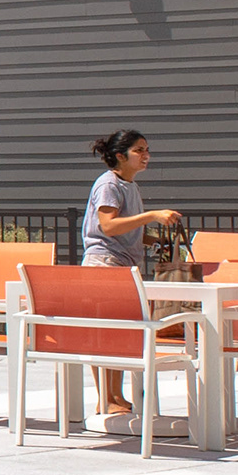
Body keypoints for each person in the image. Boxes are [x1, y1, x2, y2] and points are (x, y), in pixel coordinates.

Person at [82, 130, 185, 413]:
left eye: (146, 149)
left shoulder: (129, 186)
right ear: (120, 155)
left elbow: (127, 230)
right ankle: (106, 399)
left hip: (121, 264)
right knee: (107, 334)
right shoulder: (109, 184)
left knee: (118, 334)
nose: (146, 155)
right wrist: (152, 216)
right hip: (105, 264)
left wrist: (153, 240)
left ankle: (115, 396)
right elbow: (108, 226)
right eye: (139, 150)